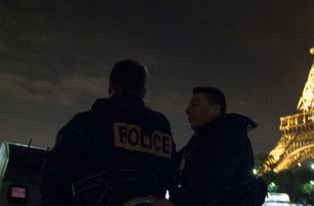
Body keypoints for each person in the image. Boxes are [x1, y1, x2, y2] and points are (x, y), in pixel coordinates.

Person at [40, 59, 176, 206]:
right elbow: (176, 175)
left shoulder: (88, 122)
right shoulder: (161, 128)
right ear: (143, 92)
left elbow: (52, 176)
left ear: (111, 87)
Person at [154, 87, 267, 206]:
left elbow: (211, 190)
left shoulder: (227, 139)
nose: (187, 110)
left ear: (215, 109)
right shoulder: (202, 141)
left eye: (195, 104)